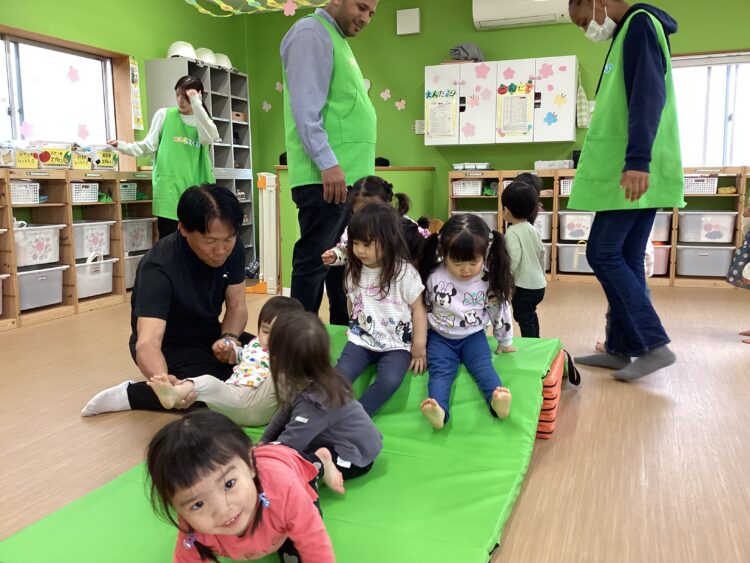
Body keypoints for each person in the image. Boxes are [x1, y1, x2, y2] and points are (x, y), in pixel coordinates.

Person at [568, 0, 685, 380]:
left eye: (584, 21)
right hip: (634, 168)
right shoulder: (628, 33)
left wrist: (637, 160)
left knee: (602, 252)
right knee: (628, 255)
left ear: (596, 2)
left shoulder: (639, 26)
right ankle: (621, 348)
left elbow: (647, 95)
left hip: (632, 169)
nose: (587, 29)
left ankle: (653, 343)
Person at [82, 185, 249, 416]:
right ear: (183, 228)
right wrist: (164, 383)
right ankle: (133, 394)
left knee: (277, 360)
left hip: (210, 335)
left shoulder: (234, 249)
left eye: (228, 240)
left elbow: (237, 306)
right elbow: (148, 343)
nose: (221, 251)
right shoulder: (159, 267)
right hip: (171, 346)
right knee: (206, 397)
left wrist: (229, 339)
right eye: (210, 241)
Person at [282, 0, 379, 325]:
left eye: (371, 13)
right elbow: (305, 108)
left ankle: (339, 331)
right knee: (315, 259)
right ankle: (299, 340)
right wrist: (327, 163)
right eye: (361, 7)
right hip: (327, 178)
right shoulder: (311, 32)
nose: (365, 18)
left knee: (342, 261)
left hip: (345, 178)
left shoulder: (336, 38)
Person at [147, 410, 339, 562]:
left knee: (295, 551)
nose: (223, 509)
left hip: (285, 463)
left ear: (250, 465)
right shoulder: (192, 526)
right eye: (198, 504)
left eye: (229, 484)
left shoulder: (284, 490)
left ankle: (320, 461)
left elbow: (313, 540)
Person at [418, 214, 516, 430]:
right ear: (444, 252)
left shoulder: (487, 279)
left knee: (483, 368)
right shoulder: (433, 276)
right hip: (439, 338)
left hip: (473, 337)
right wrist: (419, 344)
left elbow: (498, 309)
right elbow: (422, 310)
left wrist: (504, 340)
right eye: (457, 263)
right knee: (440, 373)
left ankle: (497, 402)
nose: (466, 270)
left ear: (484, 254)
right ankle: (439, 412)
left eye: (473, 262)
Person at [260, 311, 383, 481]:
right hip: (337, 438)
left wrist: (262, 459)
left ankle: (325, 467)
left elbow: (288, 447)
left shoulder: (316, 402)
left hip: (353, 456)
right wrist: (264, 442)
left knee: (298, 465)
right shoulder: (309, 376)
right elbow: (284, 412)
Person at [147, 297, 303, 427]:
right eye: (266, 331)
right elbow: (241, 355)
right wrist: (229, 348)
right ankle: (175, 394)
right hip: (233, 396)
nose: (269, 339)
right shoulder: (255, 344)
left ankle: (297, 416)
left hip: (260, 403)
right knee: (208, 381)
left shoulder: (288, 353)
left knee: (285, 372)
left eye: (279, 334)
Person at [334, 204, 427, 416]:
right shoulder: (354, 270)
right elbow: (352, 300)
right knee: (339, 376)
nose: (359, 250)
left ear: (389, 240)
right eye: (355, 243)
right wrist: (352, 325)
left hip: (396, 346)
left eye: (367, 244)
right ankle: (325, 413)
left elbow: (418, 309)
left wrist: (419, 346)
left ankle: (357, 416)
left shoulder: (404, 273)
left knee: (390, 380)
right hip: (361, 341)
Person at [109, 75, 218, 238]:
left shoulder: (202, 122)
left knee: (196, 242)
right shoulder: (164, 115)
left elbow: (209, 138)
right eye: (178, 95)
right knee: (169, 242)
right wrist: (123, 146)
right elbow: (148, 146)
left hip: (195, 194)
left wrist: (197, 103)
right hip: (168, 192)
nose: (180, 101)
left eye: (185, 97)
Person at [321, 175, 429, 268]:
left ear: (387, 204)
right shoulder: (354, 227)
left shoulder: (403, 224)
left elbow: (426, 244)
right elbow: (347, 249)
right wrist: (336, 255)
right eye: (361, 212)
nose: (368, 216)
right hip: (369, 278)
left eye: (373, 210)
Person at [502, 182, 547, 338]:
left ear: (507, 210)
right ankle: (536, 341)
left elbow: (513, 259)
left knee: (523, 317)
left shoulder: (512, 233)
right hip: (538, 285)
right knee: (530, 314)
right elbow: (542, 253)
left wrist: (505, 278)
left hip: (523, 286)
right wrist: (542, 275)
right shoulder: (532, 229)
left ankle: (531, 344)